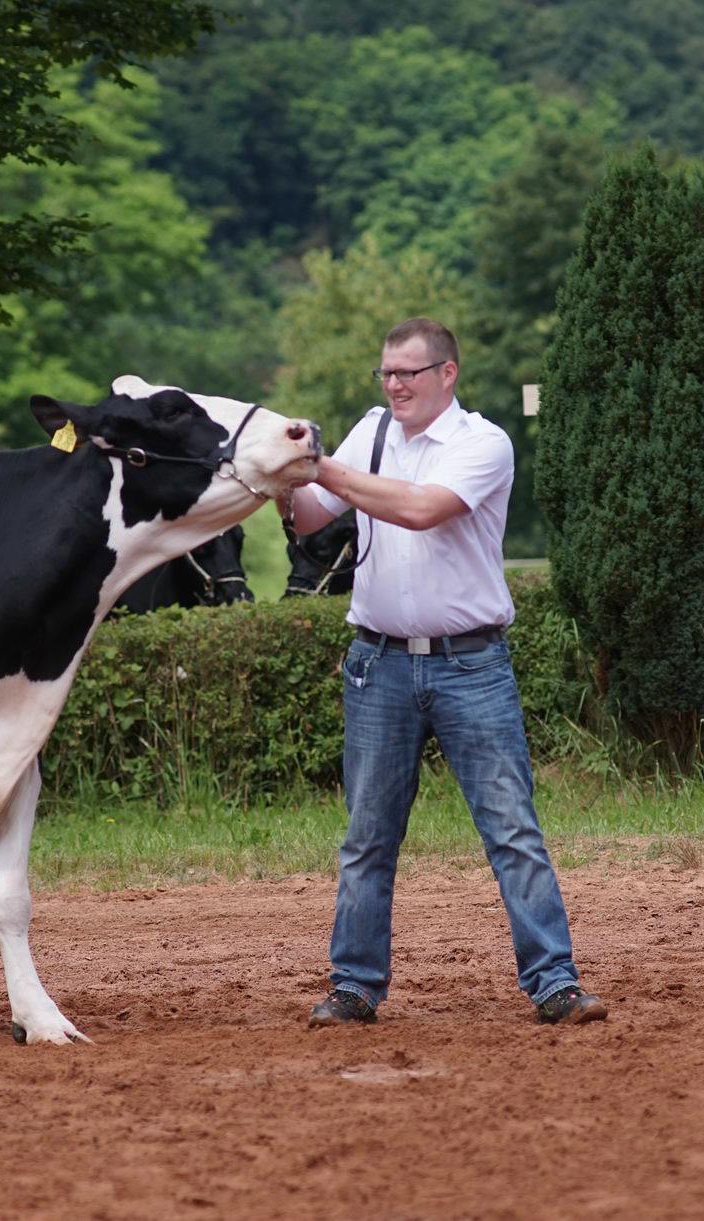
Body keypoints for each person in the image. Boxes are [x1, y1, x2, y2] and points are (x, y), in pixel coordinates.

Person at [282, 317, 607, 1027]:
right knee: (367, 836)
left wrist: (322, 465)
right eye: (387, 373)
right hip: (378, 660)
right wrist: (277, 477)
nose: (394, 385)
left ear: (447, 374)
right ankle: (354, 986)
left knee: (511, 829)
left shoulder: (482, 443)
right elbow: (311, 518)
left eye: (408, 373)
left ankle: (554, 980)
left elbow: (423, 510)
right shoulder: (370, 431)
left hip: (471, 662)